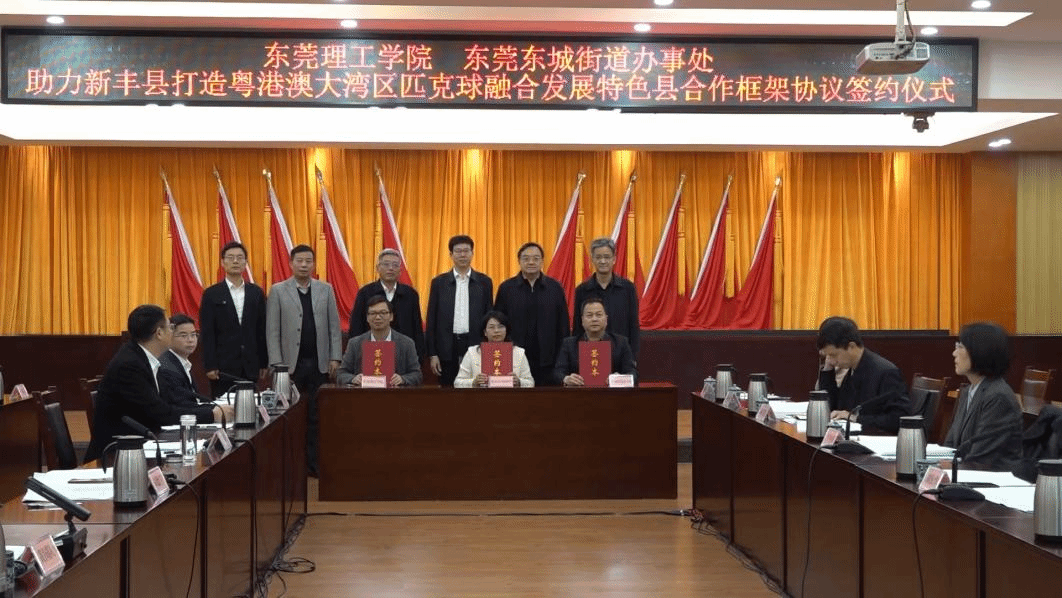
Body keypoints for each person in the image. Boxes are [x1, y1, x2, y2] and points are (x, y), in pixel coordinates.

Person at [85, 305, 232, 462]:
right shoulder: (129, 365)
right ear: (159, 333)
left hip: (141, 448)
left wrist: (213, 409)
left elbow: (172, 402)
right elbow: (161, 414)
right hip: (115, 456)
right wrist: (211, 414)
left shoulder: (146, 359)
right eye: (170, 327)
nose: (172, 331)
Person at [266, 244, 343, 477]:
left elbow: (334, 327)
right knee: (289, 415)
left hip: (319, 364)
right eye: (299, 261)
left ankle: (314, 464)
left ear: (314, 264)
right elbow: (272, 331)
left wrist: (335, 357)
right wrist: (277, 364)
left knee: (316, 416)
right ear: (291, 263)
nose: (304, 265)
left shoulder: (326, 289)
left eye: (308, 261)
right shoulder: (278, 290)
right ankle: (290, 465)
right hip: (290, 366)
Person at [943, 322, 1022, 470]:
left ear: (980, 351)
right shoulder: (968, 391)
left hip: (991, 479)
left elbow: (982, 460)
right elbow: (951, 446)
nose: (954, 353)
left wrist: (945, 467)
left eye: (960, 347)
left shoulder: (998, 397)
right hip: (965, 473)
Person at [493, 242, 570, 386]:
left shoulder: (554, 287)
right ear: (519, 261)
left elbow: (563, 324)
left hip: (548, 359)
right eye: (526, 258)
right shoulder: (506, 288)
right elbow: (498, 324)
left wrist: (562, 356)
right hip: (515, 359)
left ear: (542, 261)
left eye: (536, 258)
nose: (531, 262)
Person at [198, 241, 268, 397]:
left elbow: (261, 329)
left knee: (249, 405)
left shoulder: (256, 293)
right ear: (222, 262)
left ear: (246, 262)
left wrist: (263, 362)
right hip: (222, 367)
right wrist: (210, 365)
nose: (235, 261)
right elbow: (207, 332)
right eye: (230, 258)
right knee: (224, 406)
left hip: (250, 364)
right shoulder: (211, 294)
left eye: (240, 258)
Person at [816, 316, 909, 433]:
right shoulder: (852, 369)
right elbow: (834, 407)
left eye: (833, 355)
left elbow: (898, 419)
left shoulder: (885, 372)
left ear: (851, 346)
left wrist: (856, 418)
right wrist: (827, 371)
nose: (831, 361)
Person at [426, 235, 494, 386]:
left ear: (472, 253)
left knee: (477, 388)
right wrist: (433, 353)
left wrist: (489, 348)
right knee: (448, 389)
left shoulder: (484, 282)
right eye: (458, 251)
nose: (462, 255)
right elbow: (432, 319)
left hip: (476, 345)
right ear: (451, 254)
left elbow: (489, 318)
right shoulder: (439, 283)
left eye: (466, 251)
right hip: (446, 346)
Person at [349, 248, 425, 359]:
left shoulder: (410, 294)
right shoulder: (365, 293)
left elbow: (417, 328)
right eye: (386, 264)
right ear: (377, 268)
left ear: (400, 270)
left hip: (403, 353)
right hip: (373, 352)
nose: (391, 268)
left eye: (395, 265)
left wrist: (418, 356)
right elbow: (357, 326)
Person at [572, 237, 640, 360]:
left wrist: (632, 357)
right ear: (592, 260)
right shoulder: (582, 290)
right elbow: (578, 327)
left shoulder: (627, 288)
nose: (603, 261)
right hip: (591, 354)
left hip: (621, 354)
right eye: (598, 257)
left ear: (614, 259)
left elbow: (633, 326)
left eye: (607, 257)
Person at [337, 295, 423, 387]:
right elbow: (341, 374)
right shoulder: (355, 343)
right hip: (364, 394)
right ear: (367, 318)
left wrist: (402, 379)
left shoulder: (406, 343)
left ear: (391, 316)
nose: (377, 317)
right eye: (373, 313)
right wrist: (353, 379)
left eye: (383, 313)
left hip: (395, 394)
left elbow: (417, 375)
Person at [555, 297, 636, 387]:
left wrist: (619, 379)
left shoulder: (620, 343)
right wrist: (566, 379)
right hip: (579, 393)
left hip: (611, 394)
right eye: (589, 315)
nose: (594, 319)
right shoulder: (569, 344)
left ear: (606, 319)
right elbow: (557, 373)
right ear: (582, 320)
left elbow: (633, 373)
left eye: (599, 315)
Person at [454, 311, 534, 388]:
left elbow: (530, 382)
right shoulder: (472, 352)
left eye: (500, 327)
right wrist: (474, 382)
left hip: (509, 396)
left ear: (506, 330)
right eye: (491, 327)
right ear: (485, 332)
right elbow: (457, 383)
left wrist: (519, 382)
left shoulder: (519, 352)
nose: (496, 331)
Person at [158, 313, 213, 408]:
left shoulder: (181, 362)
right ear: (169, 336)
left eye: (193, 334)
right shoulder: (167, 367)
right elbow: (181, 405)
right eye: (183, 335)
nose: (190, 340)